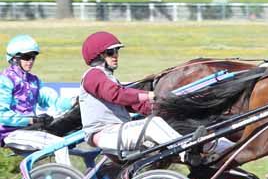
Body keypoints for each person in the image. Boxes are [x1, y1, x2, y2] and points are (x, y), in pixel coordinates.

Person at [79, 31, 234, 159]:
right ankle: (186, 153)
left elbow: (133, 104)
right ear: (98, 56)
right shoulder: (93, 75)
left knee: (177, 124)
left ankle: (226, 149)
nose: (115, 55)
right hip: (105, 134)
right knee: (153, 125)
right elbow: (117, 95)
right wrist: (150, 95)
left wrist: (170, 105)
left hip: (117, 131)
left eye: (117, 51)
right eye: (110, 52)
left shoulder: (108, 78)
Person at [0, 35, 73, 164]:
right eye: (27, 57)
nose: (31, 61)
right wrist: (31, 120)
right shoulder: (5, 80)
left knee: (72, 143)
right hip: (10, 134)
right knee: (60, 144)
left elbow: (54, 100)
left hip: (28, 131)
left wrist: (76, 101)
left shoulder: (33, 81)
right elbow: (2, 115)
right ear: (14, 59)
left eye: (33, 57)